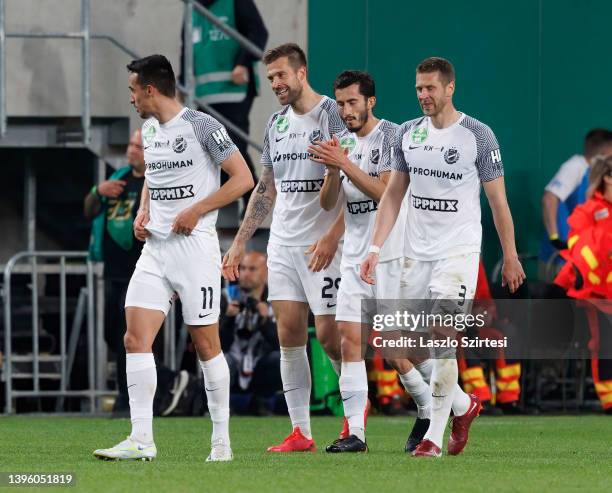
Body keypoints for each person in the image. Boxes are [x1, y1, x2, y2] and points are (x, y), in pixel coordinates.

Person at [361, 57, 525, 457]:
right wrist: (375, 248)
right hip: (415, 253)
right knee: (402, 341)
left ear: (449, 88)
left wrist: (511, 255)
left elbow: (498, 202)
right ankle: (463, 406)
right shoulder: (406, 134)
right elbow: (392, 196)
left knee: (442, 334)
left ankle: (433, 437)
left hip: (458, 251)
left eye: (431, 88)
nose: (423, 95)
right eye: (419, 88)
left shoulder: (477, 136)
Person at [93, 54, 254, 462]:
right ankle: (141, 439)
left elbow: (243, 178)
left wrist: (198, 209)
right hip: (155, 249)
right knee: (134, 337)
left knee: (206, 345)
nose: (130, 97)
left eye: (133, 89)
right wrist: (144, 211)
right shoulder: (148, 130)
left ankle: (221, 442)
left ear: (150, 89)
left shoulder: (202, 125)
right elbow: (154, 177)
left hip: (195, 249)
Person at [222, 43, 345, 453]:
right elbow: (266, 188)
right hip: (283, 243)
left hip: (325, 245)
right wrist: (240, 243)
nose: (275, 83)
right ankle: (301, 433)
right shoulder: (275, 122)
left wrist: (334, 234)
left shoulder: (331, 114)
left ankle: (354, 421)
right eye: (270, 77)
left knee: (330, 337)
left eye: (281, 75)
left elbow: (350, 173)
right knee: (289, 336)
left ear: (301, 73)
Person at [311, 70, 432, 453]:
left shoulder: (394, 137)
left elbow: (385, 194)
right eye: (341, 103)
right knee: (350, 342)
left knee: (399, 350)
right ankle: (355, 434)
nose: (346, 110)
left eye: (353, 102)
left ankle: (440, 406)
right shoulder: (342, 144)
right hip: (354, 258)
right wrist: (332, 169)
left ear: (370, 102)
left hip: (393, 254)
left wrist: (344, 165)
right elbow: (330, 203)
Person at [187, 0, 268, 211]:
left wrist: (243, 63)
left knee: (233, 148)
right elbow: (185, 49)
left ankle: (255, 205)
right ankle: (225, 204)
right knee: (211, 151)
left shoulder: (235, 3)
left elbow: (259, 34)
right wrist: (180, 82)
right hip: (205, 95)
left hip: (235, 90)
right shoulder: (192, 8)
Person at [554, 156, 612, 412]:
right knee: (604, 341)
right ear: (607, 178)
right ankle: (609, 397)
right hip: (593, 292)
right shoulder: (586, 211)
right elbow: (579, 251)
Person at [220, 251, 281, 413]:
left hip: (260, 364)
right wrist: (229, 319)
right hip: (233, 361)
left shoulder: (275, 299)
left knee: (279, 358)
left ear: (266, 272)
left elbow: (279, 344)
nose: (246, 274)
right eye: (243, 268)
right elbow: (218, 345)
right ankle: (222, 406)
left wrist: (265, 321)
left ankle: (261, 401)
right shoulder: (226, 297)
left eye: (252, 269)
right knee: (220, 360)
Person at [540, 129, 612, 266]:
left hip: (583, 255)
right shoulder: (575, 167)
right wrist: (555, 238)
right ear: (604, 152)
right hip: (561, 256)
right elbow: (548, 199)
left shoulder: (596, 173)